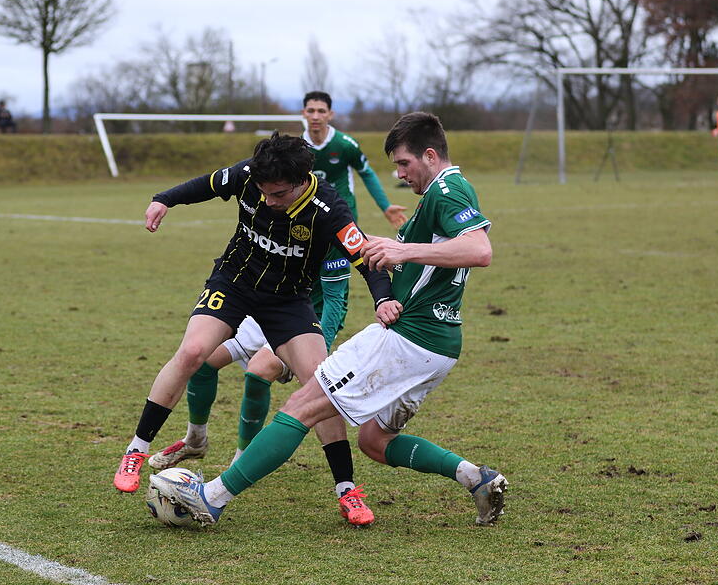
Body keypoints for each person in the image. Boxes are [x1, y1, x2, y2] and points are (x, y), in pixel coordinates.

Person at [150, 112, 508, 528]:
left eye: (404, 163)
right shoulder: (445, 194)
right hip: (441, 345)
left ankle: (210, 498)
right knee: (375, 441)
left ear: (430, 155)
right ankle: (475, 478)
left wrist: (402, 252)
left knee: (301, 405)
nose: (399, 173)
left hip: (407, 337)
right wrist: (393, 247)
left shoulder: (446, 190)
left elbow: (480, 250)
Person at [114, 134, 394, 514]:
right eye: (263, 192)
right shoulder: (250, 175)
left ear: (300, 181)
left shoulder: (329, 209)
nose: (268, 200)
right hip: (235, 282)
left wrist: (383, 299)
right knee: (194, 351)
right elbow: (207, 185)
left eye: (277, 194)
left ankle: (346, 490)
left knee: (321, 385)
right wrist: (165, 198)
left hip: (288, 301)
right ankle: (136, 450)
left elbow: (363, 256)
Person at [147, 251, 374, 525]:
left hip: (308, 319)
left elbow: (335, 300)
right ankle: (195, 440)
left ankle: (345, 489)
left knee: (298, 381)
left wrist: (317, 351)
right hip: (263, 309)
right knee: (203, 360)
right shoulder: (267, 212)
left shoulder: (325, 219)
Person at [302, 91, 407, 229]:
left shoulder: (345, 145)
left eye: (321, 111)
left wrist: (385, 206)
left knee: (347, 251)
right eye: (311, 111)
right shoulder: (298, 148)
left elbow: (367, 173)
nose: (315, 116)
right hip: (310, 211)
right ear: (304, 113)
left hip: (343, 210)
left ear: (330, 114)